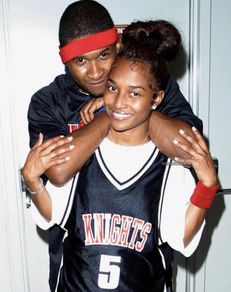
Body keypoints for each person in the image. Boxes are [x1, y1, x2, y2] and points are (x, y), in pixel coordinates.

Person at [22, 19, 219, 292]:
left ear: (117, 47)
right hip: (78, 272)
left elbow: (182, 237)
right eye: (80, 60)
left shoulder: (166, 157)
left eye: (103, 55)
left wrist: (123, 107)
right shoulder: (52, 104)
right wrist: (111, 115)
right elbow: (54, 195)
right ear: (65, 60)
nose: (95, 72)